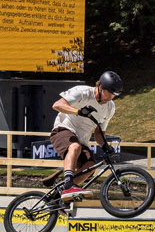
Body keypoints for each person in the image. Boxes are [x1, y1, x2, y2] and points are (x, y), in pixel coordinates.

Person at [49, 71, 122, 200]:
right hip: (63, 129)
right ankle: (68, 187)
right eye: (109, 93)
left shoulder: (110, 108)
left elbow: (99, 133)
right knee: (75, 147)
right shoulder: (83, 92)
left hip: (81, 140)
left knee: (90, 166)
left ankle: (57, 196)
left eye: (114, 95)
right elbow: (57, 105)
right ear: (100, 87)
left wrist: (105, 146)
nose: (110, 97)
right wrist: (78, 111)